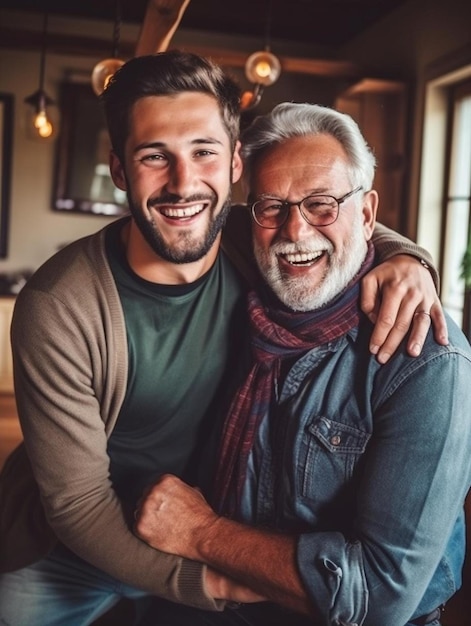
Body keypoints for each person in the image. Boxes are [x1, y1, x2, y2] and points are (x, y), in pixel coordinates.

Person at [0, 52, 446, 626]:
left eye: (203, 152)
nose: (183, 184)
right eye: (154, 157)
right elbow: (78, 506)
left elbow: (337, 220)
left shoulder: (252, 239)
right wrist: (208, 578)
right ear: (118, 169)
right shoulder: (59, 307)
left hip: (204, 525)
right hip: (71, 550)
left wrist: (408, 258)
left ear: (235, 163)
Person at [134, 102, 471, 626]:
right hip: (211, 598)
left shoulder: (426, 359)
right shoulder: (234, 295)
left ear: (366, 213)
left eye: (322, 204)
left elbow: (381, 596)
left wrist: (201, 533)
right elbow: (164, 212)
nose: (295, 231)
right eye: (272, 207)